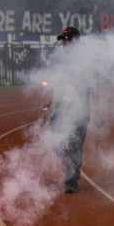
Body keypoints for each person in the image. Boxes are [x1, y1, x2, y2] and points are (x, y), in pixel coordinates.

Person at [42, 27, 91, 194]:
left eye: (68, 39)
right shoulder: (57, 59)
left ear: (76, 40)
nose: (64, 42)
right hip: (63, 107)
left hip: (81, 108)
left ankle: (71, 181)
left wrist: (99, 113)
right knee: (56, 142)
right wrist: (46, 107)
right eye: (63, 39)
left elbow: (94, 86)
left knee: (76, 145)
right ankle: (72, 166)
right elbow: (50, 83)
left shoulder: (87, 59)